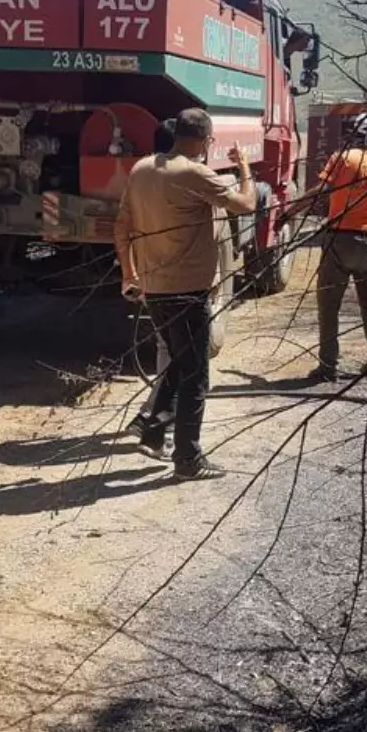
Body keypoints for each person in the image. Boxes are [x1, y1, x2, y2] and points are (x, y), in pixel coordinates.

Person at [114, 107, 256, 480]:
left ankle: (154, 432)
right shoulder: (194, 172)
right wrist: (244, 167)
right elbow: (247, 204)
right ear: (205, 140)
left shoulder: (142, 169)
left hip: (153, 287)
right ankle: (188, 459)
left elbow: (122, 226)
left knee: (179, 364)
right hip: (187, 290)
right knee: (196, 377)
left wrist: (128, 273)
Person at [293, 111, 367, 382]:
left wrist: (289, 212)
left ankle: (328, 366)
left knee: (329, 306)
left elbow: (320, 191)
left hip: (341, 240)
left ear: (354, 133)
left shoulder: (342, 158)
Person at [126, 118, 177, 440]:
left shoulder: (139, 175)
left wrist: (129, 272)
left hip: (149, 275)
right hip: (178, 281)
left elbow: (123, 227)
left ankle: (151, 415)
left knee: (167, 348)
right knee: (181, 357)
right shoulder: (187, 178)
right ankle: (155, 423)